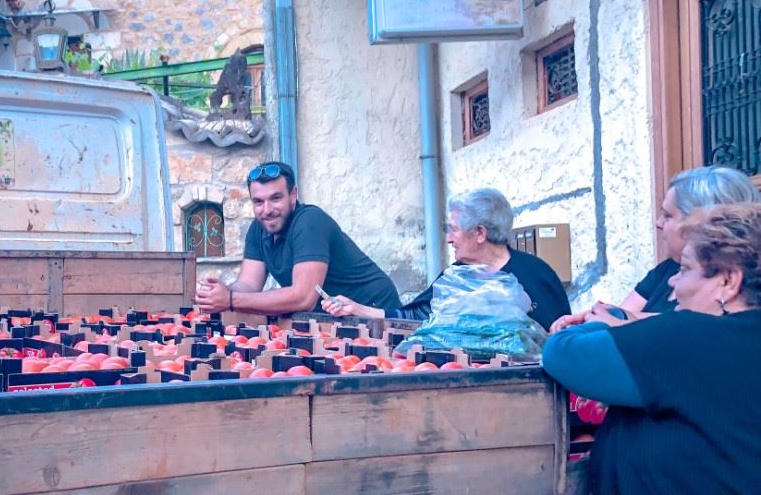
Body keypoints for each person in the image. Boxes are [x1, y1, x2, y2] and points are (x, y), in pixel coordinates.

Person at [542, 203, 761, 495]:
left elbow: (565, 353)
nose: (672, 287)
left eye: (684, 270)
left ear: (727, 280)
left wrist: (616, 322)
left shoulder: (689, 340)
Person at [322, 188, 570, 331]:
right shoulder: (454, 278)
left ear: (480, 233)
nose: (449, 239)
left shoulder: (537, 274)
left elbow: (562, 336)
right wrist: (357, 309)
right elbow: (416, 317)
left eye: (453, 229)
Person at [551, 165, 758, 331]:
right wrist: (592, 318)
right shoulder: (666, 271)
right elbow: (619, 318)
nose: (659, 223)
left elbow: (707, 328)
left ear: (700, 221)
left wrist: (620, 323)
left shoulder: (744, 284)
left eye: (668, 215)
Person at [194, 161, 399, 315]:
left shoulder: (310, 221)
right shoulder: (258, 228)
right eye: (258, 201)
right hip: (332, 317)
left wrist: (230, 300)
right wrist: (216, 295)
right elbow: (248, 285)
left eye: (275, 198)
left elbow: (303, 298)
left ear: (293, 196)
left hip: (373, 311)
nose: (267, 210)